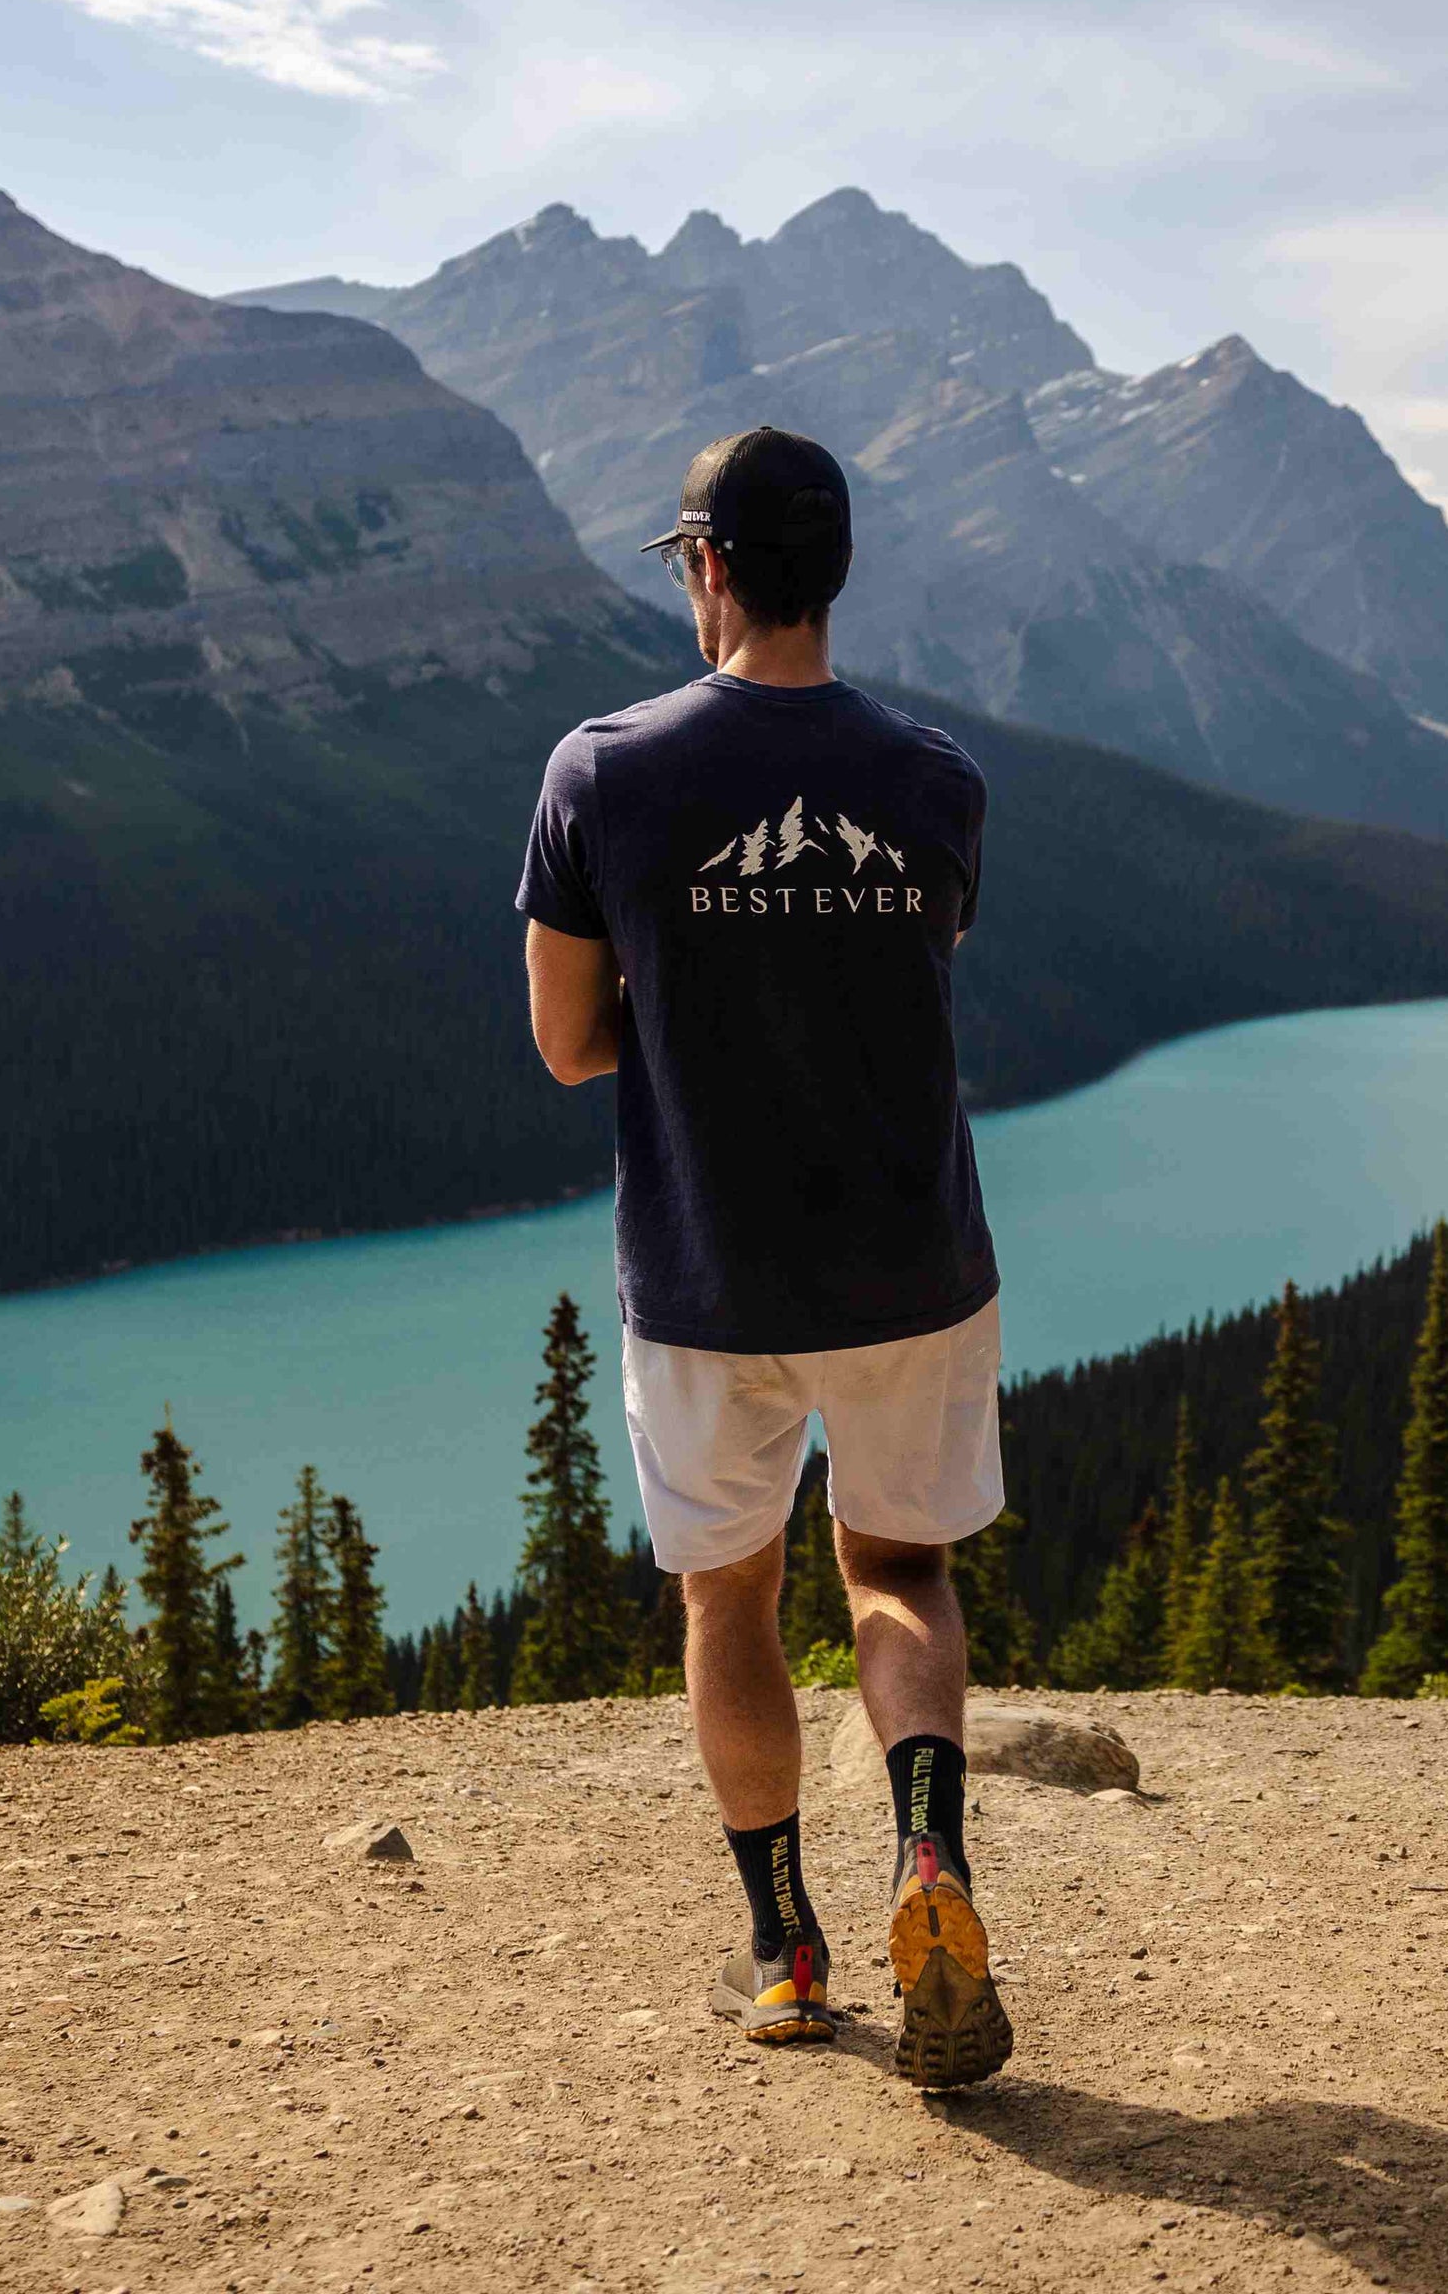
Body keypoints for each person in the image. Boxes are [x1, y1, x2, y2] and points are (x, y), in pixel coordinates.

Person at [515, 427, 1015, 2092]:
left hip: (708, 1277)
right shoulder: (936, 777)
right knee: (906, 1574)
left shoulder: (601, 772)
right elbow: (901, 977)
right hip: (910, 1268)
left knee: (732, 1597)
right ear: (838, 568)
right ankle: (929, 1857)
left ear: (709, 566)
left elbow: (570, 1044)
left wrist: (691, 988)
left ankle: (786, 1947)